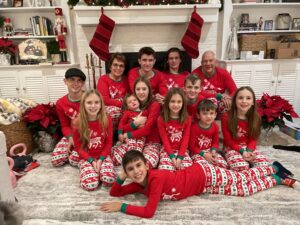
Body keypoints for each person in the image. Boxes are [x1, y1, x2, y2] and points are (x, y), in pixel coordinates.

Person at [100, 150, 299, 218]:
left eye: (138, 165)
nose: (136, 171)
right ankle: (279, 179)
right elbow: (115, 193)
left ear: (146, 164)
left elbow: (149, 212)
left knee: (242, 178)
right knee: (242, 191)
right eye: (131, 169)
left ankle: (272, 168)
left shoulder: (155, 178)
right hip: (202, 186)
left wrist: (122, 208)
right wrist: (121, 177)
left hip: (203, 173)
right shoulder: (137, 183)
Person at [72, 90, 116, 191]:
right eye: (89, 102)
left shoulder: (107, 119)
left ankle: (99, 172)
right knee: (90, 185)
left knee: (109, 179)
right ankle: (90, 171)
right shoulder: (77, 123)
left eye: (96, 102)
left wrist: (100, 160)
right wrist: (91, 161)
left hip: (103, 155)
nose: (93, 106)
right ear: (83, 104)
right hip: (86, 156)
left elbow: (109, 143)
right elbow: (78, 148)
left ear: (101, 104)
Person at [221, 86, 269, 172]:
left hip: (248, 147)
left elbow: (254, 138)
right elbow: (228, 140)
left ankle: (251, 172)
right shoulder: (226, 116)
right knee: (241, 167)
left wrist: (249, 151)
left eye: (248, 98)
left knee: (264, 165)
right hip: (231, 147)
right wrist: (242, 152)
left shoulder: (256, 117)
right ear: (235, 101)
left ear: (253, 102)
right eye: (240, 98)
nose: (244, 101)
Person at [121, 77, 161, 168]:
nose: (141, 92)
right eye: (138, 89)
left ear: (149, 90)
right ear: (134, 91)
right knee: (125, 160)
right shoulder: (133, 104)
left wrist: (128, 135)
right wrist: (134, 124)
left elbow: (147, 130)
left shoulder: (155, 105)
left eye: (144, 89)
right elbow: (123, 128)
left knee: (145, 165)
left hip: (151, 141)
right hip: (135, 141)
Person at [51, 68, 86, 167]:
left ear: (83, 84)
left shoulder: (89, 98)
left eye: (79, 80)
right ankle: (76, 151)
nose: (76, 83)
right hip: (72, 134)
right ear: (65, 81)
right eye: (72, 79)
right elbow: (65, 126)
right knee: (56, 160)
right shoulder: (61, 103)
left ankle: (82, 154)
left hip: (89, 134)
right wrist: (71, 138)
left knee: (74, 160)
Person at [192, 50, 237, 116]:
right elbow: (194, 92)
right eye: (205, 61)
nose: (208, 63)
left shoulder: (223, 73)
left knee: (230, 104)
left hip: (219, 103)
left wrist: (228, 98)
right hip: (202, 102)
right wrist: (217, 96)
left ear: (215, 62)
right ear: (201, 63)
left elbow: (235, 90)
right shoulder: (195, 74)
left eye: (210, 61)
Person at [157, 88, 193, 171]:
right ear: (167, 102)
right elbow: (165, 140)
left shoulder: (187, 119)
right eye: (172, 101)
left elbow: (185, 139)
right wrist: (172, 157)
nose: (176, 105)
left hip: (182, 150)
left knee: (188, 171)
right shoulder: (161, 119)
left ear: (183, 103)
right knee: (165, 170)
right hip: (167, 150)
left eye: (179, 102)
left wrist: (180, 157)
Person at [189, 99, 228, 168]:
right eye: (205, 113)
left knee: (222, 164)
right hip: (197, 152)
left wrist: (213, 151)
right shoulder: (194, 127)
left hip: (210, 151)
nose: (208, 116)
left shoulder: (215, 126)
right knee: (204, 166)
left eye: (211, 113)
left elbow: (215, 143)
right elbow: (192, 146)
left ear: (215, 114)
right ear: (198, 115)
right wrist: (204, 154)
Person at [97, 53, 130, 134]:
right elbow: (104, 99)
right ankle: (110, 138)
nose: (118, 68)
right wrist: (122, 104)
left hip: (124, 107)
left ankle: (126, 137)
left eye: (121, 66)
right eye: (115, 65)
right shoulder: (103, 79)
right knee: (114, 113)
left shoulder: (126, 79)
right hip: (109, 108)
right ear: (110, 66)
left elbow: (130, 96)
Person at [111, 94, 148, 165]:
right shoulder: (127, 113)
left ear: (139, 101)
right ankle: (130, 161)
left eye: (134, 100)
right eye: (130, 102)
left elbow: (147, 125)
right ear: (127, 106)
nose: (133, 102)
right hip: (129, 136)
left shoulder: (144, 112)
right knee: (132, 146)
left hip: (140, 136)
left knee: (139, 147)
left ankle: (135, 161)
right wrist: (119, 134)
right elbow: (121, 124)